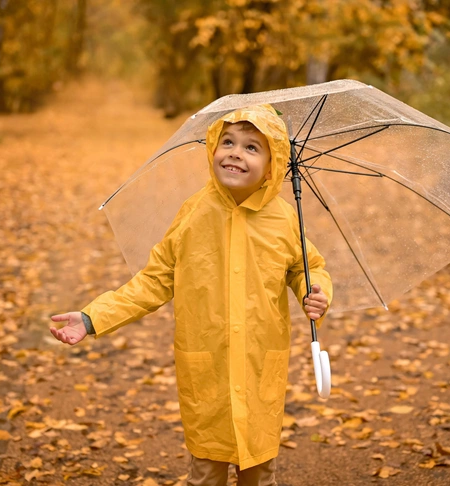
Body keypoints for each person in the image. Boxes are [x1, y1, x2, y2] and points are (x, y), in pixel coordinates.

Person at [50, 104, 332, 486]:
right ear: (212, 149)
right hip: (207, 368)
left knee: (259, 470)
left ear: (273, 165)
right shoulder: (194, 213)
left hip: (258, 366)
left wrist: (314, 290)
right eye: (227, 142)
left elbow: (306, 267)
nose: (235, 152)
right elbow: (154, 279)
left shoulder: (283, 219)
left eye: (252, 147)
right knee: (206, 469)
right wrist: (92, 318)